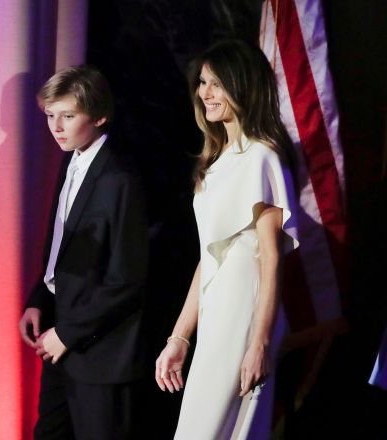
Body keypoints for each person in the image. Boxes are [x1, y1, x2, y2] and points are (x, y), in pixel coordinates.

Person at [154, 39, 299, 439]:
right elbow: (209, 258)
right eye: (203, 83)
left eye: (216, 83)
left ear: (242, 86)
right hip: (217, 315)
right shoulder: (216, 165)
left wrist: (260, 343)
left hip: (245, 315)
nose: (205, 93)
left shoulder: (262, 157)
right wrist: (179, 337)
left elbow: (271, 258)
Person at [18, 65, 149, 439]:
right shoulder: (72, 160)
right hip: (62, 338)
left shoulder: (119, 180)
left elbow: (127, 279)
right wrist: (40, 298)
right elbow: (64, 248)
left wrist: (67, 333)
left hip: (100, 352)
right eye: (50, 116)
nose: (56, 127)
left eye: (68, 116)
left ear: (99, 116)